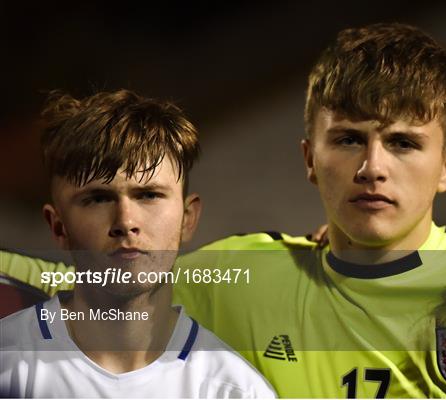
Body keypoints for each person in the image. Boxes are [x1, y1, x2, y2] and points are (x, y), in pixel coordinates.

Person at [1, 24, 446, 397]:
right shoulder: (245, 276)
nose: (373, 167)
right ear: (310, 157)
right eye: (349, 140)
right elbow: (76, 275)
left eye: (402, 143)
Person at [0, 90, 275, 398]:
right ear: (59, 226)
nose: (125, 221)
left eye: (148, 195)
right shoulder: (7, 361)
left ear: (187, 218)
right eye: (98, 199)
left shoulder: (235, 390)